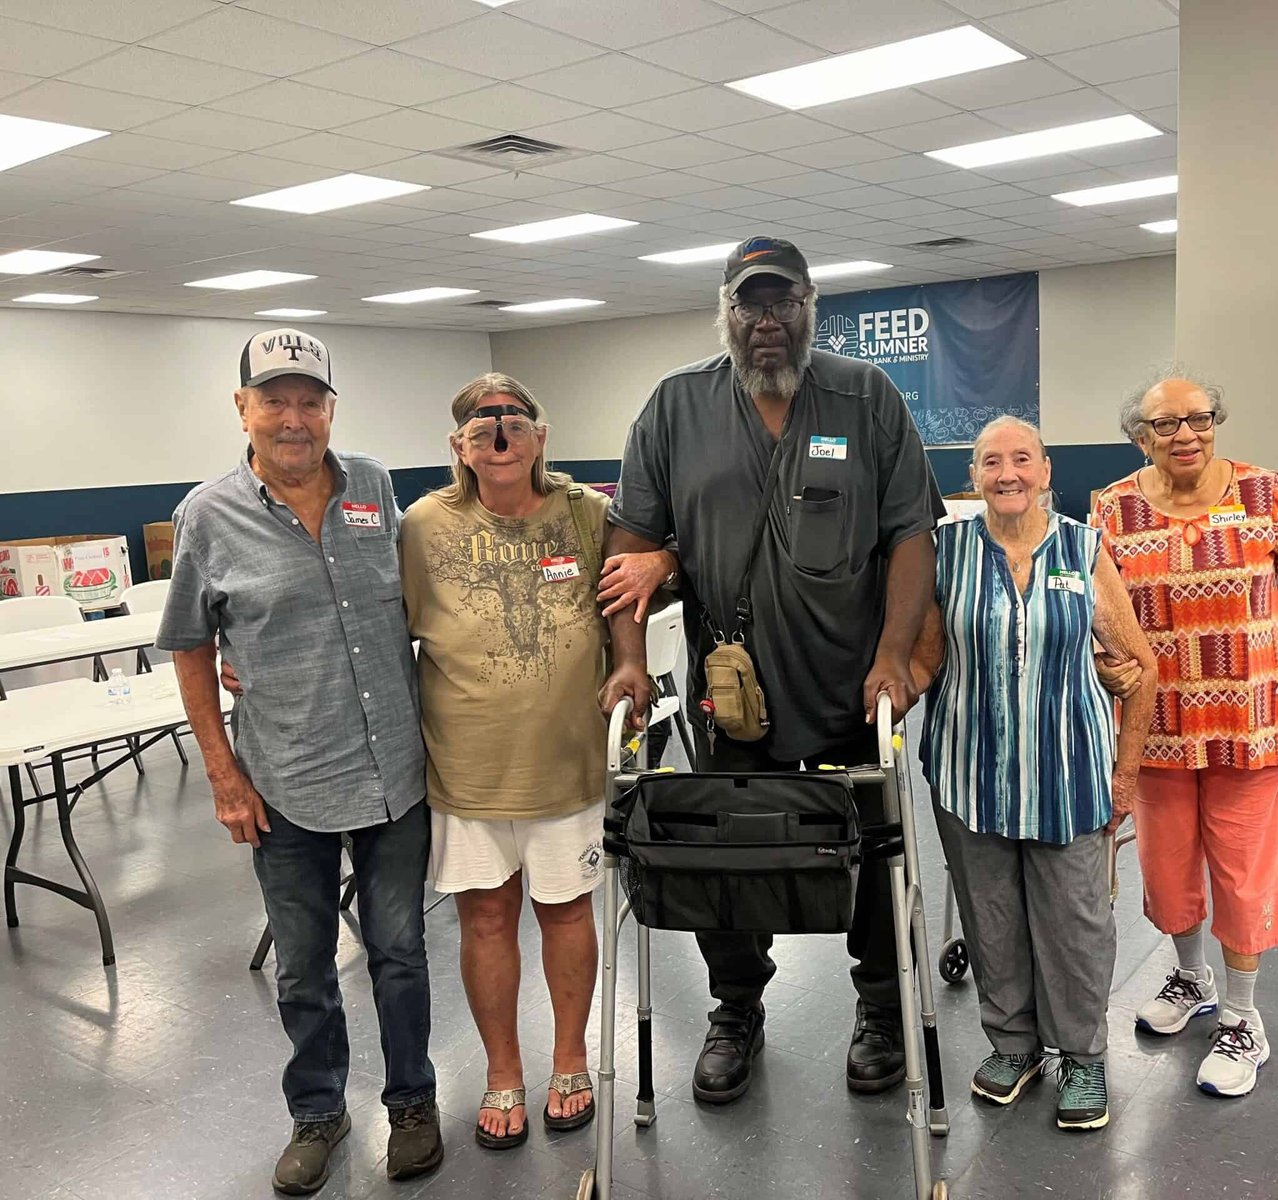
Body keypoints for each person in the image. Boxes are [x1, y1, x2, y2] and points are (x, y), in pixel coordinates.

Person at [599, 236, 944, 1104]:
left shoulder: (865, 396)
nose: (766, 322)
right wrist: (632, 664)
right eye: (750, 305)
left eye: (782, 303)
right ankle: (737, 1008)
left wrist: (895, 657)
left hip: (849, 687)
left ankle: (879, 1007)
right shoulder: (675, 406)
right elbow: (631, 545)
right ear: (726, 311)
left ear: (809, 306)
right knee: (733, 859)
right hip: (732, 698)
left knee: (868, 852)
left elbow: (910, 534)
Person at [158, 329, 442, 1194]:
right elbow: (190, 645)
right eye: (273, 399)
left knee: (400, 953)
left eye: (309, 400)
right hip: (285, 785)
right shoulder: (207, 516)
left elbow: (417, 595)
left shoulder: (375, 487)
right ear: (241, 409)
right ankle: (317, 1112)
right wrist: (222, 775)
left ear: (330, 409)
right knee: (305, 967)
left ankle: (413, 1103)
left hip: (393, 770)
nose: (293, 418)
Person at [399, 373, 676, 1150]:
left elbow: (648, 576)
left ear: (540, 436)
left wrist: (635, 650)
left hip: (568, 764)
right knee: (485, 919)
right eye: (481, 422)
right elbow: (373, 623)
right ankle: (500, 1071)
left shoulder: (588, 514)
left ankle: (569, 1058)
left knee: (564, 913)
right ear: (458, 445)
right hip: (465, 769)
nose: (499, 432)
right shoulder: (423, 525)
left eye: (514, 419)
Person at [911, 416, 1157, 1132]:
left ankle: (1082, 1055)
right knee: (990, 920)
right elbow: (927, 658)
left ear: (1047, 471)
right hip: (968, 774)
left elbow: (1138, 667)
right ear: (975, 477)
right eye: (992, 462)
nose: (1008, 473)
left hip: (1069, 774)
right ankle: (1012, 1046)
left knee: (1076, 922)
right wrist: (886, 692)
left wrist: (1127, 772)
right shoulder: (948, 551)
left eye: (1022, 459)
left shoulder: (1083, 548)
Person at [1092, 373, 1278, 1100]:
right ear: (1142, 436)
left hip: (1250, 724)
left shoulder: (1265, 495)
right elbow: (1101, 618)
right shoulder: (1113, 509)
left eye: (1198, 419)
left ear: (1216, 423)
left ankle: (1242, 1018)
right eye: (1165, 424)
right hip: (1157, 730)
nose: (1184, 434)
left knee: (1241, 871)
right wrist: (1106, 668)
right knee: (1166, 869)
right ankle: (1190, 977)